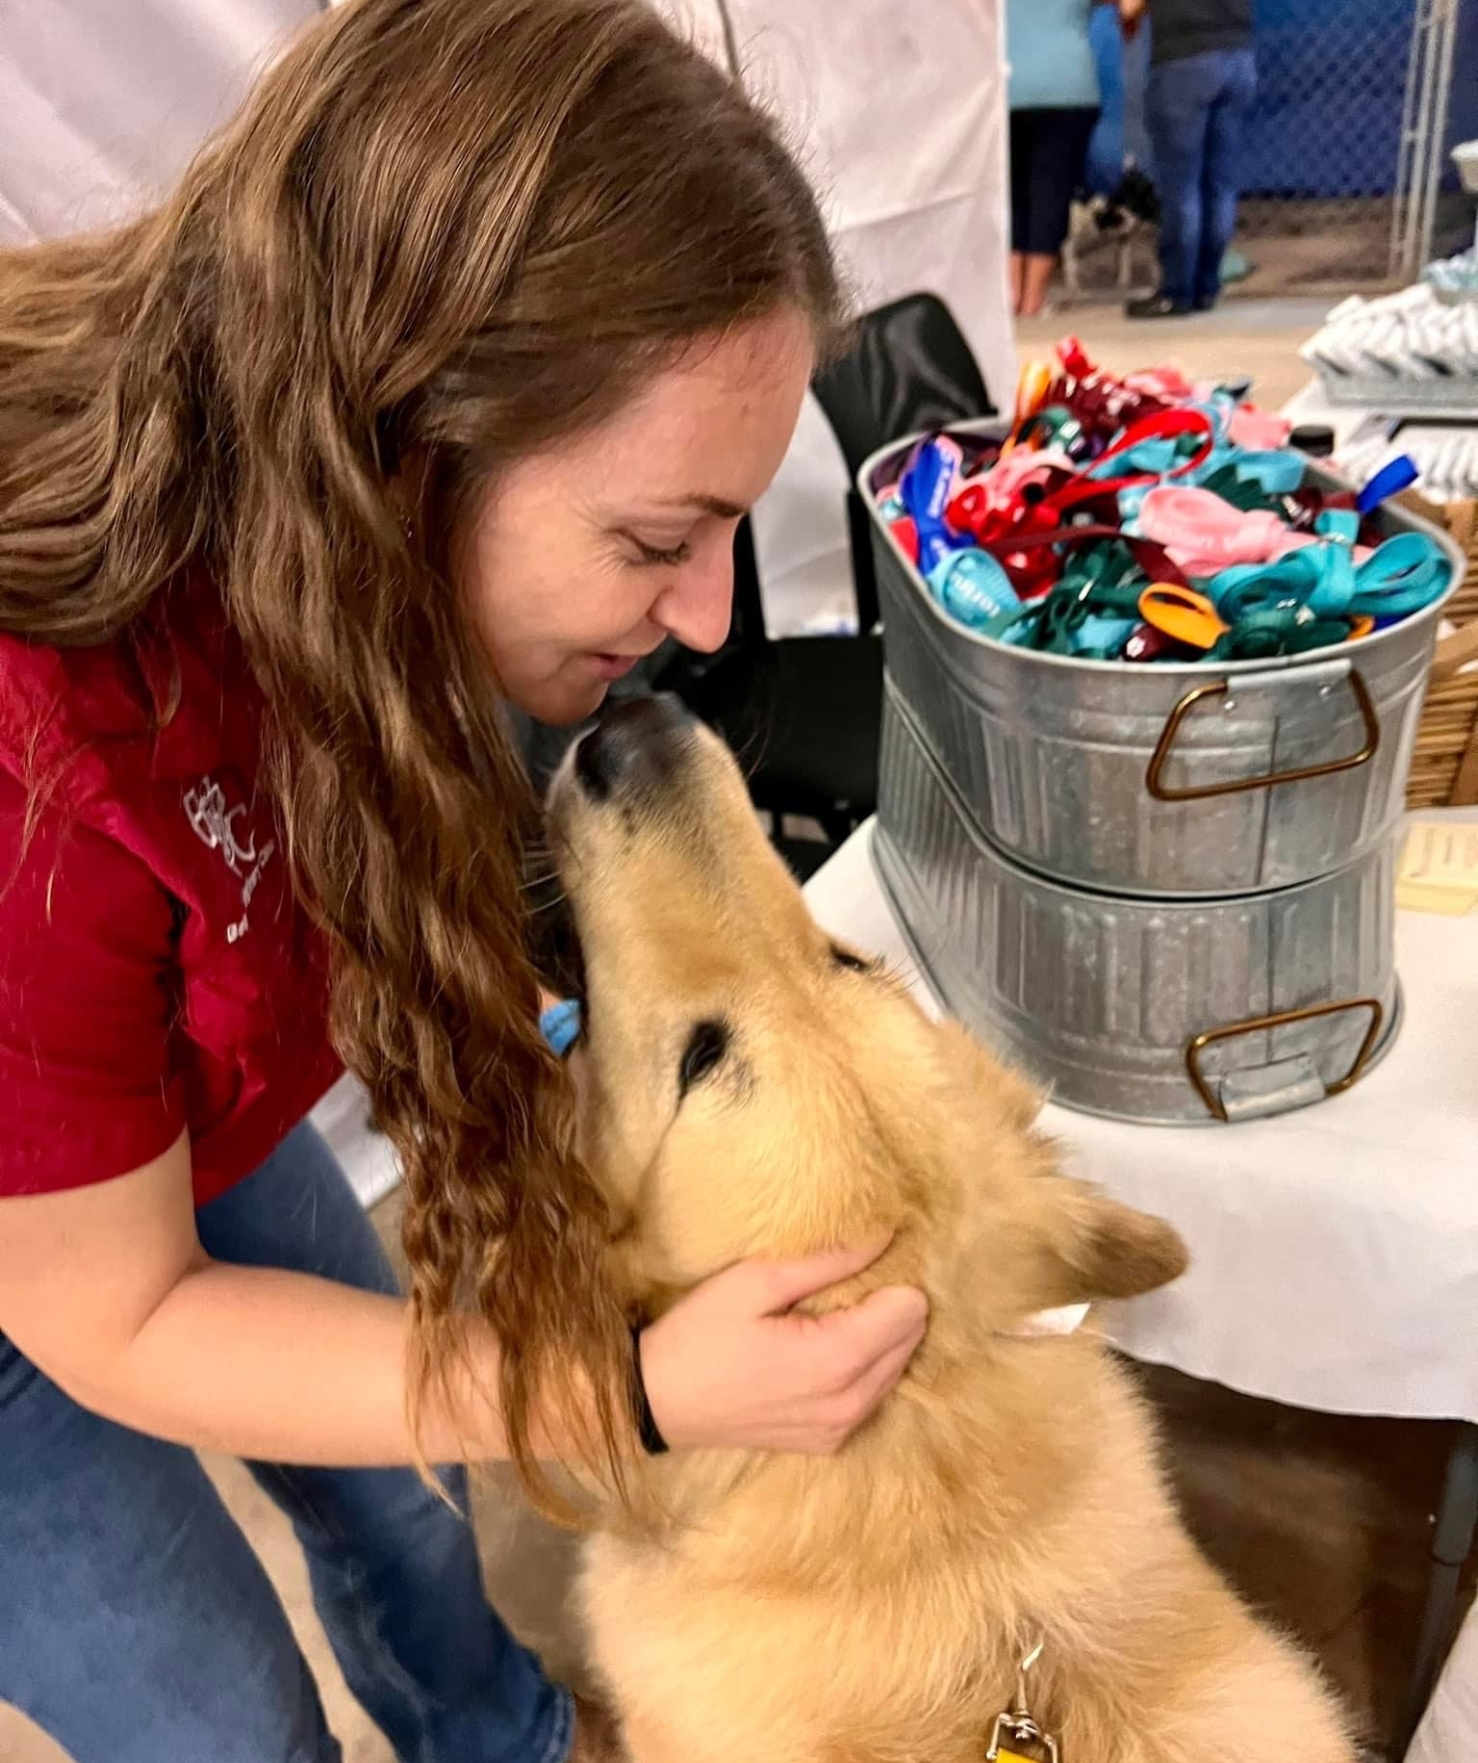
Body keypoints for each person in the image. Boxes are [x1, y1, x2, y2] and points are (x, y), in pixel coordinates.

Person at [0, 3, 931, 1761]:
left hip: (159, 1090)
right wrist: (622, 1390)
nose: (713, 618)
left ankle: (499, 1741)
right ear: (401, 435)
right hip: (38, 1218)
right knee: (212, 1713)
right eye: (656, 540)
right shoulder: (39, 756)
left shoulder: (340, 560)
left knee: (412, 1499)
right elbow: (114, 1310)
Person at [1007, 0, 1145, 317]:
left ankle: (1010, 296)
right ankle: (1033, 299)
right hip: (1068, 87)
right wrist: (1129, 24)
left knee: (1010, 196)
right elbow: (1130, 6)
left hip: (1006, 87)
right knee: (1050, 193)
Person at [1128, 0, 1256, 318]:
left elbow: (1129, 7)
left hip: (1183, 61)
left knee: (1181, 187)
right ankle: (1206, 286)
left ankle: (1177, 291)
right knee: (1219, 185)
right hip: (1238, 56)